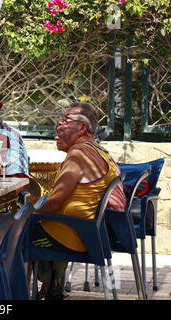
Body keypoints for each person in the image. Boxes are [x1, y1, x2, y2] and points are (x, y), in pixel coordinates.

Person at [31, 102, 126, 300]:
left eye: (65, 120)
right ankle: (51, 286)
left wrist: (26, 216)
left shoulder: (79, 154)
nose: (58, 123)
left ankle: (12, 294)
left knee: (9, 233)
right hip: (87, 234)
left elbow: (55, 203)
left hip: (70, 238)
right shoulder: (99, 151)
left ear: (82, 128)